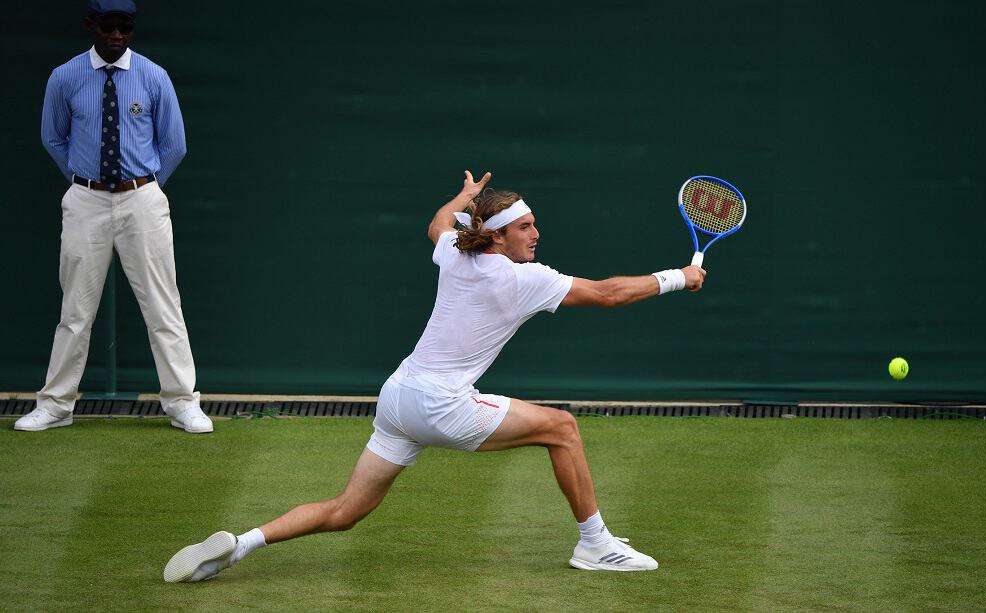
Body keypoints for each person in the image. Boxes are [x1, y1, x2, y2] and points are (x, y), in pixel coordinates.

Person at [163, 170, 707, 580]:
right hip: (441, 404)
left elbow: (438, 224)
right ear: (496, 238)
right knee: (562, 427)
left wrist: (462, 199)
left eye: (534, 224)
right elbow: (610, 294)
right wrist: (679, 277)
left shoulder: (454, 252)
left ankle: (240, 545)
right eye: (524, 227)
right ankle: (594, 544)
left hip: (397, 398)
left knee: (346, 511)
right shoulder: (525, 279)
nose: (536, 234)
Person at [14, 0, 211, 434]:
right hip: (85, 199)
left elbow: (174, 144)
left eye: (125, 27)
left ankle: (181, 402)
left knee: (163, 304)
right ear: (91, 26)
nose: (117, 36)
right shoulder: (65, 76)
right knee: (75, 309)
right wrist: (84, 179)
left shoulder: (153, 76)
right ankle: (56, 404)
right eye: (109, 27)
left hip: (142, 198)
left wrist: (145, 186)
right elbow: (53, 136)